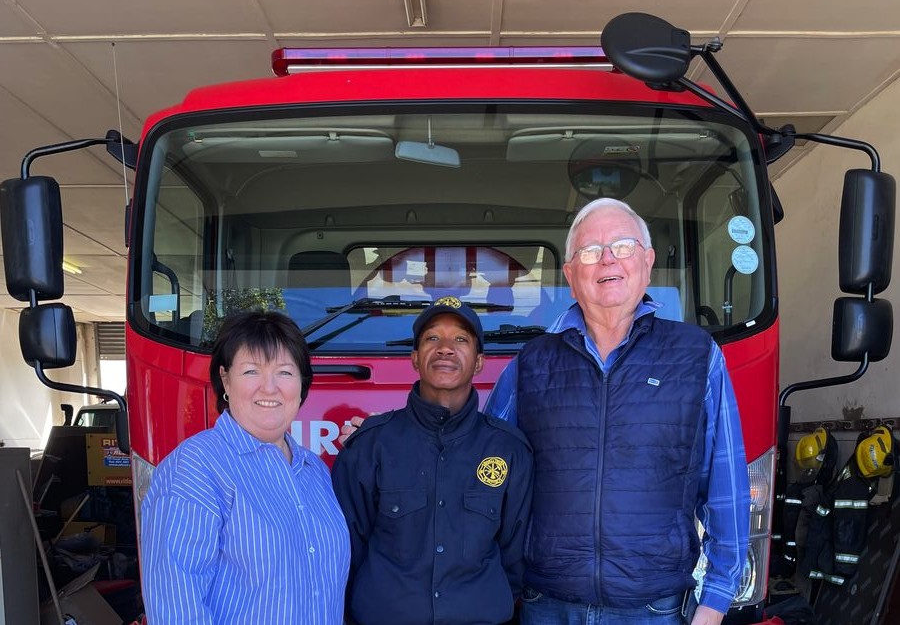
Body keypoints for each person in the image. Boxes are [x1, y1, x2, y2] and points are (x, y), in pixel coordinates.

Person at [484, 197, 750, 625]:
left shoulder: (696, 355)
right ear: (571, 276)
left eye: (622, 246)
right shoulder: (531, 364)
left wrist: (716, 600)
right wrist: (384, 438)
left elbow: (726, 484)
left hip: (654, 609)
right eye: (590, 252)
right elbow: (479, 464)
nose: (607, 259)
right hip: (547, 606)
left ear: (646, 263)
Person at [331, 296, 534, 625]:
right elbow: (345, 554)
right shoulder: (370, 446)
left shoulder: (509, 450)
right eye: (432, 338)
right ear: (414, 358)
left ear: (479, 362)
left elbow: (516, 559)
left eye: (460, 339)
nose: (445, 348)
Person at [140, 310, 350, 625]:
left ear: (302, 384)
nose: (269, 388)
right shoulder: (195, 469)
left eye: (285, 372)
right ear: (225, 379)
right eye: (251, 371)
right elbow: (176, 608)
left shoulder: (314, 470)